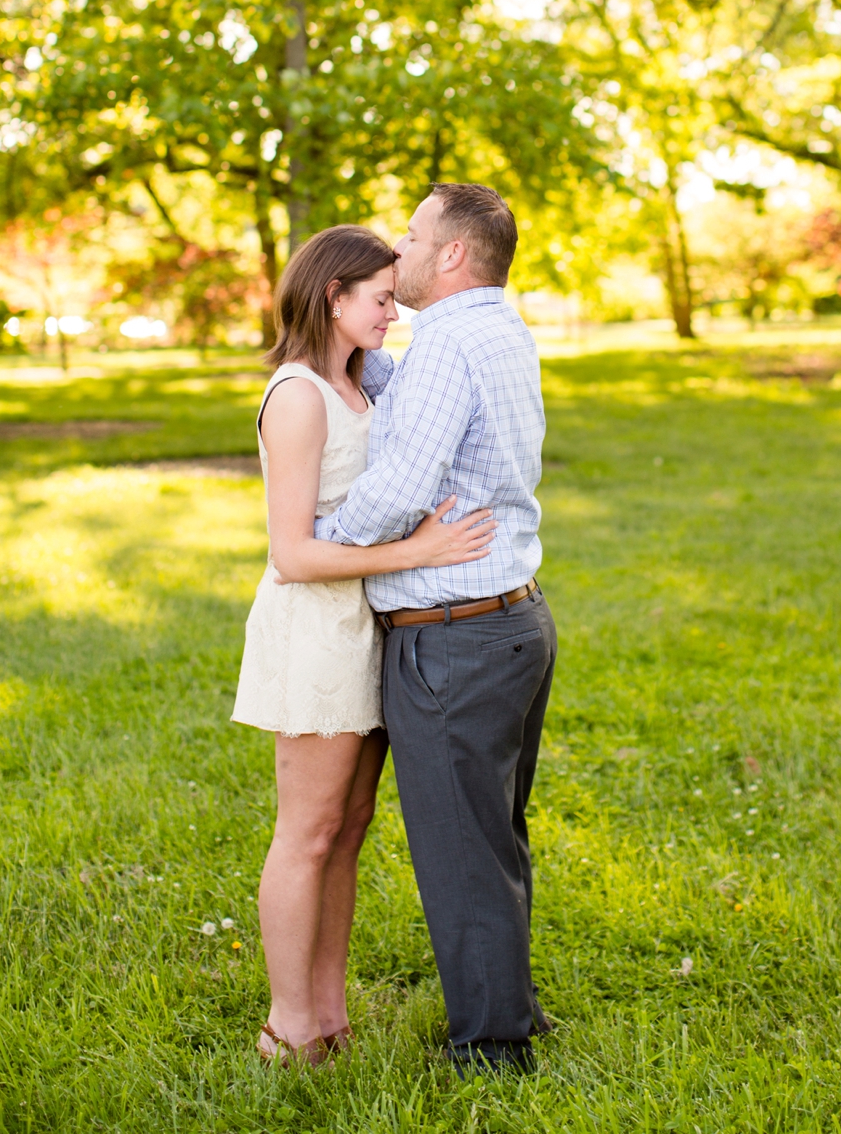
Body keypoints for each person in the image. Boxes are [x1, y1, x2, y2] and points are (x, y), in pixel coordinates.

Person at [231, 224, 496, 1068]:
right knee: (308, 830)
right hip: (315, 632)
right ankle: (285, 1024)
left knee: (350, 825)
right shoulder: (300, 394)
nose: (393, 310)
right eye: (380, 298)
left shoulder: (356, 386)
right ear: (331, 296)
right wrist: (415, 552)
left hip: (368, 626)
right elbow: (294, 553)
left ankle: (329, 1013)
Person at [314, 183, 555, 1076]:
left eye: (413, 235)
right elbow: (409, 396)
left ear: (453, 254)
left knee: (461, 847)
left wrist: (318, 545)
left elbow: (399, 485)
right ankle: (511, 1013)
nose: (398, 248)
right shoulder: (496, 328)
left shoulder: (450, 340)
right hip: (512, 622)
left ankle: (493, 1048)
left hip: (453, 638)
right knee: (492, 835)